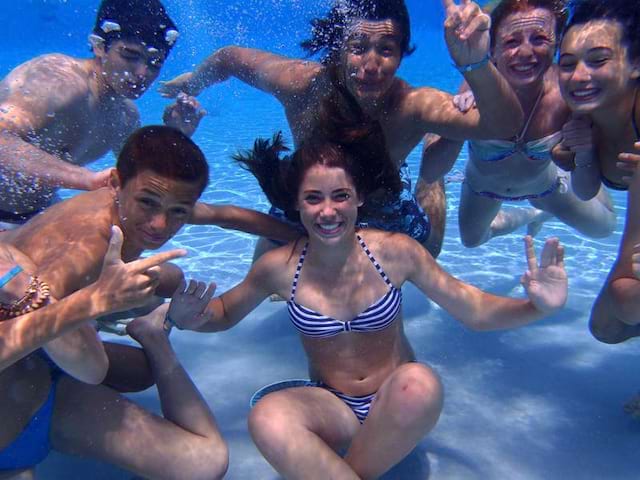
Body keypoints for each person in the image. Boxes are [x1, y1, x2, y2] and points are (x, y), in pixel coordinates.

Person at [166, 126, 568, 479]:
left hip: (397, 403)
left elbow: (475, 311)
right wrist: (192, 318)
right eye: (313, 198)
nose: (328, 211)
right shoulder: (279, 268)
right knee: (267, 417)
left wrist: (538, 307)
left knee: (421, 383)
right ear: (297, 205)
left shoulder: (397, 253)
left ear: (359, 198)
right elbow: (224, 313)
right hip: (332, 406)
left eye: (340, 196)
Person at [160, 0, 526, 259]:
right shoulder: (301, 85)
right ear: (338, 49)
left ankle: (432, 173)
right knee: (276, 271)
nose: (371, 64)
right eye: (358, 47)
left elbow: (506, 125)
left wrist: (476, 63)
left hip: (380, 198)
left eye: (386, 49)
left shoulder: (413, 105)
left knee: (427, 253)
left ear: (401, 54)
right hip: (313, 201)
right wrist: (193, 83)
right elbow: (230, 58)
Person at [0, 230, 228, 479]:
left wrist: (22, 290)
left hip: (46, 405)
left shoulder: (8, 257)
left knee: (204, 464)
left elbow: (91, 370)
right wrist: (95, 300)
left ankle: (154, 335)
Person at [419, 0, 615, 248]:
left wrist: (585, 152)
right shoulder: (477, 87)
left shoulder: (566, 94)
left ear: (557, 43)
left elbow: (586, 189)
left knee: (605, 226)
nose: (525, 52)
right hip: (484, 189)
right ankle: (532, 215)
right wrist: (459, 127)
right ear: (493, 50)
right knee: (472, 240)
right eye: (512, 41)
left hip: (546, 188)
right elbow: (430, 173)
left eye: (540, 38)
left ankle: (549, 196)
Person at [0, 0, 204, 230]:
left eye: (154, 63)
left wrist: (176, 133)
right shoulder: (58, 80)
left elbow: (139, 175)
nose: (141, 73)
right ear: (99, 46)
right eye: (129, 55)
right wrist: (86, 179)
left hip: (37, 215)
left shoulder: (125, 116)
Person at [554, 0, 640, 344]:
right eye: (567, 64)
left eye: (598, 60)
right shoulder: (583, 118)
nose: (579, 77)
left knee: (628, 300)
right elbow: (587, 191)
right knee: (608, 325)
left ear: (635, 63)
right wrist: (584, 152)